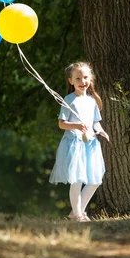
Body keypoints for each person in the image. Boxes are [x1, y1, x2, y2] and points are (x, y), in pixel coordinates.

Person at [49, 62, 110, 222]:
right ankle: (78, 215)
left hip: (90, 144)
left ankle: (75, 212)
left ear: (90, 79)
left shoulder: (92, 101)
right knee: (77, 179)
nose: (82, 81)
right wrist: (76, 125)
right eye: (78, 78)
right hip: (75, 144)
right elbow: (62, 123)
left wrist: (101, 130)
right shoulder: (69, 100)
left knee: (95, 180)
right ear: (71, 81)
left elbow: (95, 121)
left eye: (85, 77)